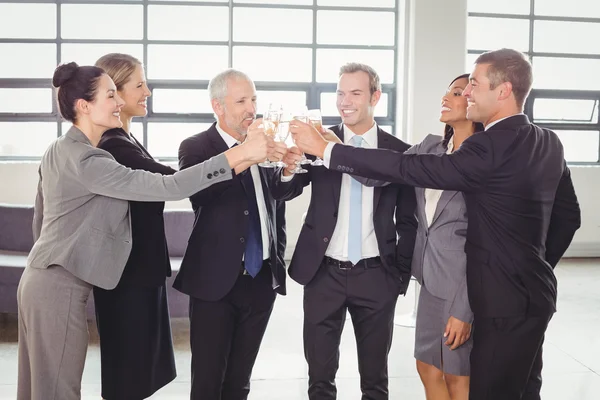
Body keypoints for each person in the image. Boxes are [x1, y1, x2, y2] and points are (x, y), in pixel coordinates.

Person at [290, 48, 581, 400]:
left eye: (473, 84)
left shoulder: (487, 146)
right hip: (535, 293)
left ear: (503, 90)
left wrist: (327, 151)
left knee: (489, 389)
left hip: (497, 300)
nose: (467, 92)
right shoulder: (548, 141)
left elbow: (408, 170)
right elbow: (568, 216)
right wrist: (532, 266)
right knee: (524, 387)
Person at [17, 62, 271, 400]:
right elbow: (170, 185)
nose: (119, 102)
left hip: (39, 278)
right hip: (58, 287)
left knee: (37, 387)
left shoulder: (59, 149)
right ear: (84, 106)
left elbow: (42, 218)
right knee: (59, 390)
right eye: (111, 95)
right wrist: (241, 153)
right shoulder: (90, 161)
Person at [274, 63, 418, 400]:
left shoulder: (399, 152)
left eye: (355, 92)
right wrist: (288, 168)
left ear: (375, 97)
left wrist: (399, 275)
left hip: (376, 275)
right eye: (340, 93)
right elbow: (285, 192)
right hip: (323, 274)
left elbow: (408, 221)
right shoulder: (316, 141)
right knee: (319, 380)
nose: (345, 101)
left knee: (375, 381)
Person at [174, 68, 288, 400]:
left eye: (253, 98)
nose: (251, 108)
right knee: (208, 382)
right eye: (241, 100)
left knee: (240, 382)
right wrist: (244, 154)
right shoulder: (196, 147)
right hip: (214, 284)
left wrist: (290, 168)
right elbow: (199, 195)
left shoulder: (265, 145)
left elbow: (279, 196)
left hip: (260, 278)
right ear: (218, 106)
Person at [91, 53, 176, 400]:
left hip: (139, 271)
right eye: (139, 84)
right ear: (114, 93)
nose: (148, 91)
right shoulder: (113, 145)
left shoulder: (126, 138)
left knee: (139, 372)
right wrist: (238, 157)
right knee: (129, 374)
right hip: (127, 276)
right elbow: (170, 180)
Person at [408, 74, 484, 400]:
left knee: (457, 375)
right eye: (446, 92)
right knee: (426, 366)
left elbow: (483, 245)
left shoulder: (483, 161)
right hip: (429, 280)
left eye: (456, 93)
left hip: (460, 287)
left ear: (474, 101)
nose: (445, 98)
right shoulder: (431, 148)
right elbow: (383, 162)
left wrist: (464, 310)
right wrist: (334, 145)